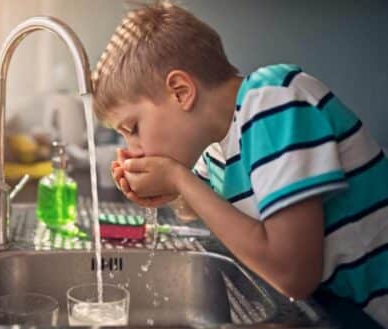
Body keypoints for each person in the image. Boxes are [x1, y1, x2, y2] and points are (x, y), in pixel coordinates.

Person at [94, 2, 388, 327]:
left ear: (180, 92)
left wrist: (177, 179)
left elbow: (293, 275)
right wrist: (163, 189)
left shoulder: (272, 100)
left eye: (132, 129)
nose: (131, 150)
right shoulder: (218, 148)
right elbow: (195, 208)